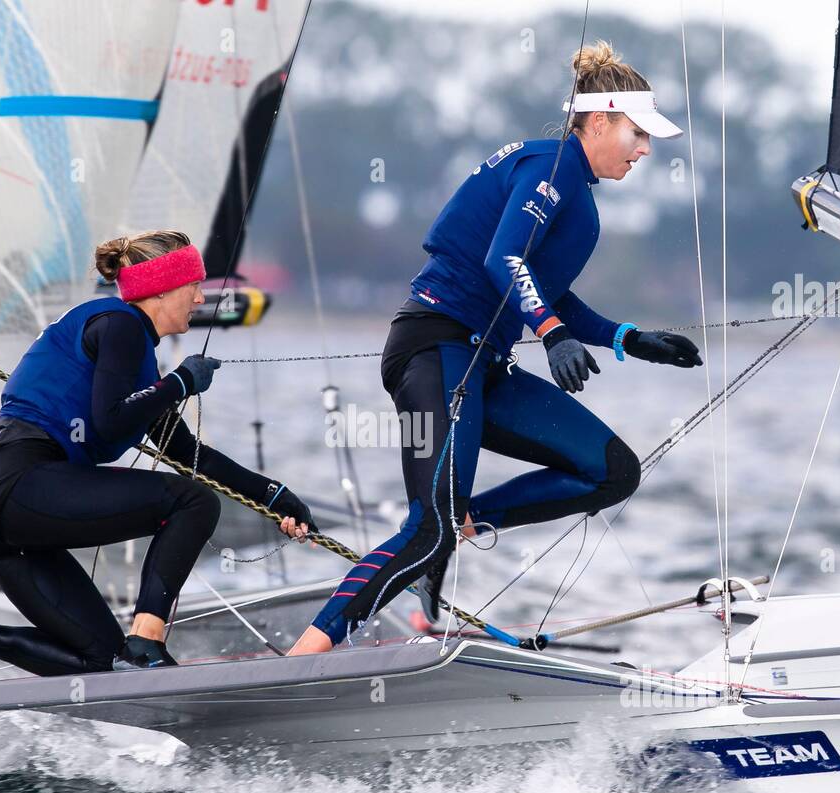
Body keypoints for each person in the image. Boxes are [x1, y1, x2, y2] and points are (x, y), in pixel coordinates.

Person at [288, 41, 702, 655]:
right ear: (598, 120)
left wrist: (625, 338)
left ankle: (457, 525)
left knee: (612, 471)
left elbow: (546, 287)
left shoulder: (575, 194)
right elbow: (502, 258)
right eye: (637, 134)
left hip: (483, 365)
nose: (645, 150)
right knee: (425, 529)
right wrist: (552, 334)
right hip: (435, 348)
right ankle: (306, 658)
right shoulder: (552, 166)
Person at [0, 230, 314, 684]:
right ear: (161, 289)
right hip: (17, 483)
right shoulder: (121, 326)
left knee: (102, 661)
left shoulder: (135, 368)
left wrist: (274, 495)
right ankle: (147, 642)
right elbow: (110, 423)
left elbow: (187, 454)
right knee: (193, 502)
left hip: (2, 513)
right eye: (193, 286)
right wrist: (180, 382)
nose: (201, 297)